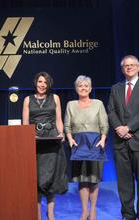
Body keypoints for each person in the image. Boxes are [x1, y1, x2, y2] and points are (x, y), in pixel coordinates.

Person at [22, 71, 68, 220]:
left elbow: (58, 119)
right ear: (35, 83)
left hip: (52, 140)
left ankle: (51, 213)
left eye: (45, 82)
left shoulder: (55, 98)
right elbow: (25, 123)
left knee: (51, 178)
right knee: (36, 179)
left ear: (49, 85)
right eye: (40, 82)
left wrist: (61, 133)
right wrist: (28, 137)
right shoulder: (27, 100)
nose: (42, 85)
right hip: (35, 142)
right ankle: (37, 214)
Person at [64, 75, 109, 220]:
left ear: (90, 88)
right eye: (80, 86)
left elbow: (104, 125)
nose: (83, 88)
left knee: (94, 179)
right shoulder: (71, 104)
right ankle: (84, 211)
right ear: (76, 88)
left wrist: (103, 139)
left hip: (96, 144)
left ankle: (93, 210)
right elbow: (67, 125)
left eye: (86, 86)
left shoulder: (98, 103)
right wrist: (70, 139)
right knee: (82, 179)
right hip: (78, 145)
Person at [108, 55, 139, 220]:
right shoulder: (116, 88)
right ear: (122, 69)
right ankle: (128, 215)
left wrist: (129, 127)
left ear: (138, 67)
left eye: (132, 65)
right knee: (124, 183)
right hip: (121, 143)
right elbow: (111, 111)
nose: (129, 67)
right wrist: (119, 128)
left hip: (138, 141)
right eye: (126, 65)